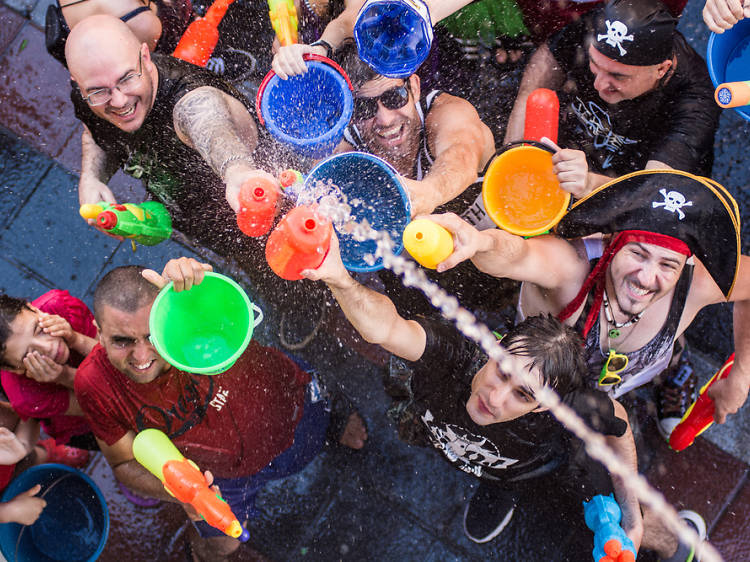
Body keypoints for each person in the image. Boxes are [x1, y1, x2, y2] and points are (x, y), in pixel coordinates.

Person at [301, 233, 710, 561]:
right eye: (501, 370)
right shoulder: (456, 351)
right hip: (448, 433)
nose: (495, 399)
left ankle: (679, 544)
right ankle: (493, 478)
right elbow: (386, 328)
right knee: (471, 449)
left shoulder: (570, 408)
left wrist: (632, 515)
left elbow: (618, 427)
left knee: (609, 514)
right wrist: (338, 277)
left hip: (536, 468)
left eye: (522, 395)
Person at [423, 170, 750, 443]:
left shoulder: (696, 285)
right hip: (531, 375)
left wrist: (741, 376)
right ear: (614, 245)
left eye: (668, 265)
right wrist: (482, 242)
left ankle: (675, 370)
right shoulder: (572, 267)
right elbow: (518, 256)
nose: (647, 278)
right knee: (511, 430)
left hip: (623, 381)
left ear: (685, 266)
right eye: (637, 254)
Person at [74, 258, 366, 561]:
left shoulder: (190, 310)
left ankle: (335, 419)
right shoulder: (94, 384)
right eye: (122, 342)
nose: (142, 355)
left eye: (152, 336)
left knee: (321, 422)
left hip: (294, 408)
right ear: (98, 332)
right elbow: (124, 465)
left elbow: (218, 296)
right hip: (218, 479)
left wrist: (197, 279)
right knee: (222, 546)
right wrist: (184, 494)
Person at [66, 15, 287, 289]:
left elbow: (206, 120)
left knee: (292, 271)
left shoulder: (187, 99)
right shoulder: (88, 99)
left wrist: (237, 171)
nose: (120, 101)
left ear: (145, 57)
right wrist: (91, 177)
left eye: (127, 79)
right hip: (204, 224)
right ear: (78, 84)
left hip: (265, 211)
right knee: (254, 271)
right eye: (99, 92)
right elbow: (94, 132)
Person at [504, 0, 721, 199]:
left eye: (618, 76)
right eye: (595, 65)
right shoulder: (592, 28)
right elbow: (536, 78)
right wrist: (510, 154)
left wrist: (589, 183)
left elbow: (651, 193)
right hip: (573, 164)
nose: (599, 84)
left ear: (661, 70)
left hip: (631, 201)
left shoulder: (695, 100)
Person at [0, 292, 97, 466]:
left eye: (38, 330)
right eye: (29, 354)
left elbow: (114, 355)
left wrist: (75, 339)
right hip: (82, 421)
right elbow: (101, 403)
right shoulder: (26, 395)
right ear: (14, 369)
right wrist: (64, 376)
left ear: (33, 308)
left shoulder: (58, 306)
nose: (49, 347)